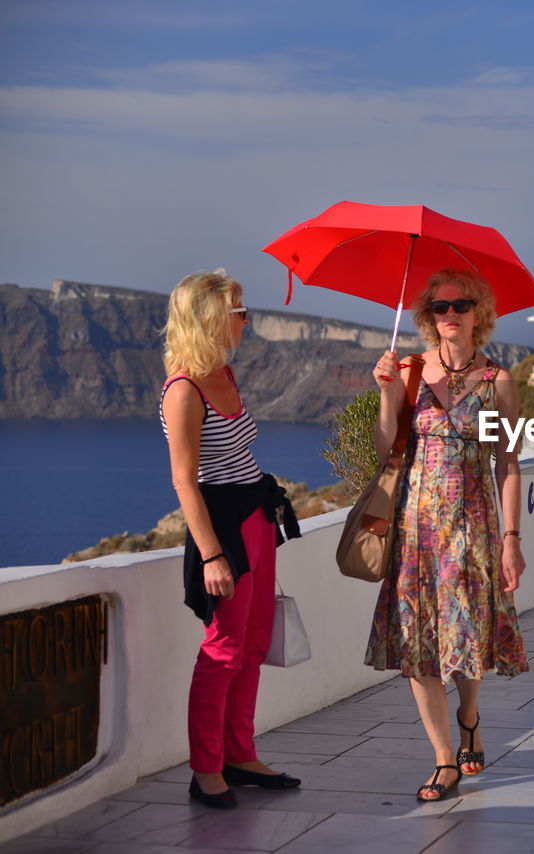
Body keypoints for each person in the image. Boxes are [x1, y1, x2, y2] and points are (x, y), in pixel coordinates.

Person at [365, 269, 529, 803]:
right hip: (415, 528)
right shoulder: (409, 370)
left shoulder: (497, 381)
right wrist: (387, 394)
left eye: (461, 305)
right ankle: (443, 759)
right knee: (417, 643)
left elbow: (508, 463)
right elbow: (384, 445)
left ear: (478, 313)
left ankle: (470, 715)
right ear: (427, 317)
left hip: (474, 525)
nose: (450, 314)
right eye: (440, 307)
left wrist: (511, 538)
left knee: (466, 634)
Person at [159, 270, 302, 810]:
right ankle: (206, 769)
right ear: (210, 317)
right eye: (238, 310)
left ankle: (240, 754)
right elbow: (184, 482)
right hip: (222, 532)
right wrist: (213, 553)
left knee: (253, 644)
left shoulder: (225, 372)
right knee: (221, 651)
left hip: (256, 519)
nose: (247, 319)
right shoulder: (184, 389)